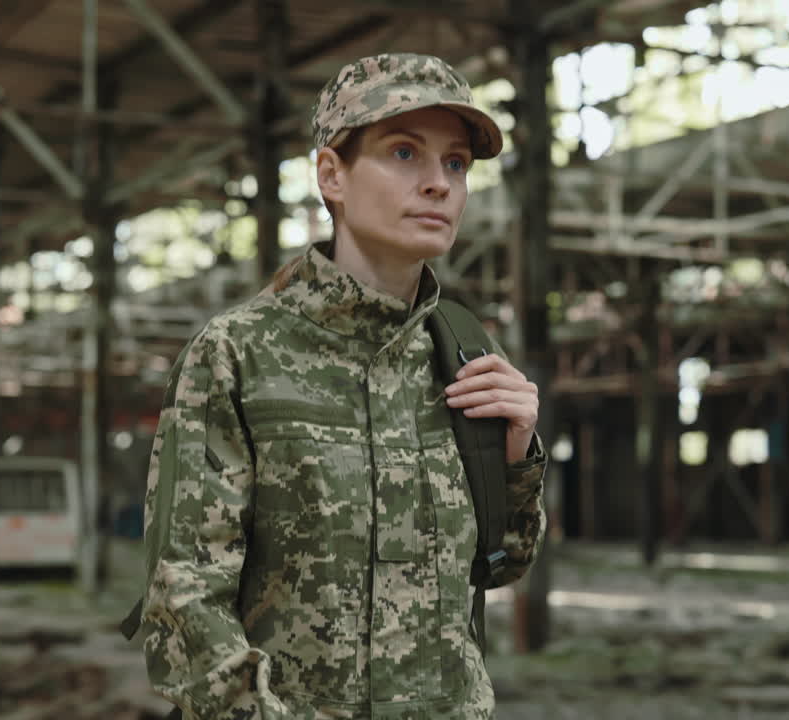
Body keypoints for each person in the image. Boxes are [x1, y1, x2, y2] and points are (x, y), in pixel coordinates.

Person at [137, 53, 548, 720]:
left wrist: (518, 457)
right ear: (332, 176)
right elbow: (183, 598)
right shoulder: (238, 353)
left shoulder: (469, 353)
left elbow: (501, 566)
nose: (439, 184)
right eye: (405, 152)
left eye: (455, 164)